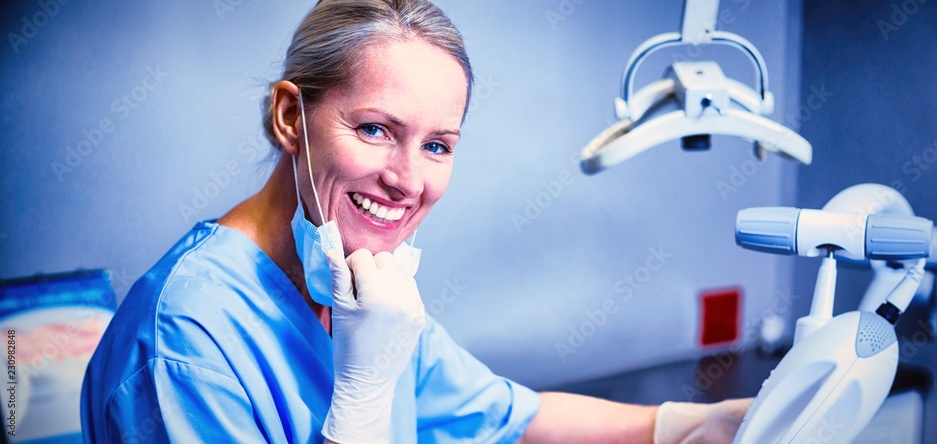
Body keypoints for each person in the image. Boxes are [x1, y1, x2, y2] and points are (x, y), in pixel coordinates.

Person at [80, 1, 750, 442]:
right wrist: (362, 401)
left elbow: (512, 418)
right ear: (291, 117)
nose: (406, 179)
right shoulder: (184, 346)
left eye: (437, 145)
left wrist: (696, 424)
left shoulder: (355, 286)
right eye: (374, 129)